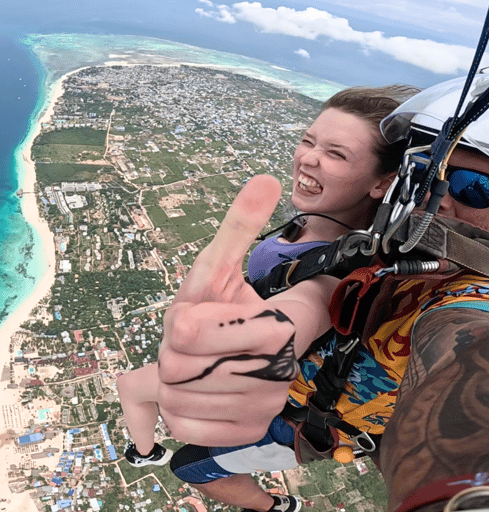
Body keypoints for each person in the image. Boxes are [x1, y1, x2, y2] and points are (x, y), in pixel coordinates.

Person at [155, 75, 489, 512]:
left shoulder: (466, 296)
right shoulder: (380, 246)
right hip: (287, 390)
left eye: (474, 187)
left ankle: (276, 507)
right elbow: (319, 295)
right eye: (426, 174)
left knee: (189, 467)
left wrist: (457, 493)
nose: (437, 199)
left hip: (308, 423)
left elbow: (462, 346)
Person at [115, 84, 416, 476]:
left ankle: (145, 452)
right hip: (237, 332)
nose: (309, 158)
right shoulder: (318, 220)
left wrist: (274, 333)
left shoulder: (343, 267)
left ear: (381, 184)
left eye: (336, 154)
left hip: (272, 378)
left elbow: (308, 307)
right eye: (308, 141)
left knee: (128, 387)